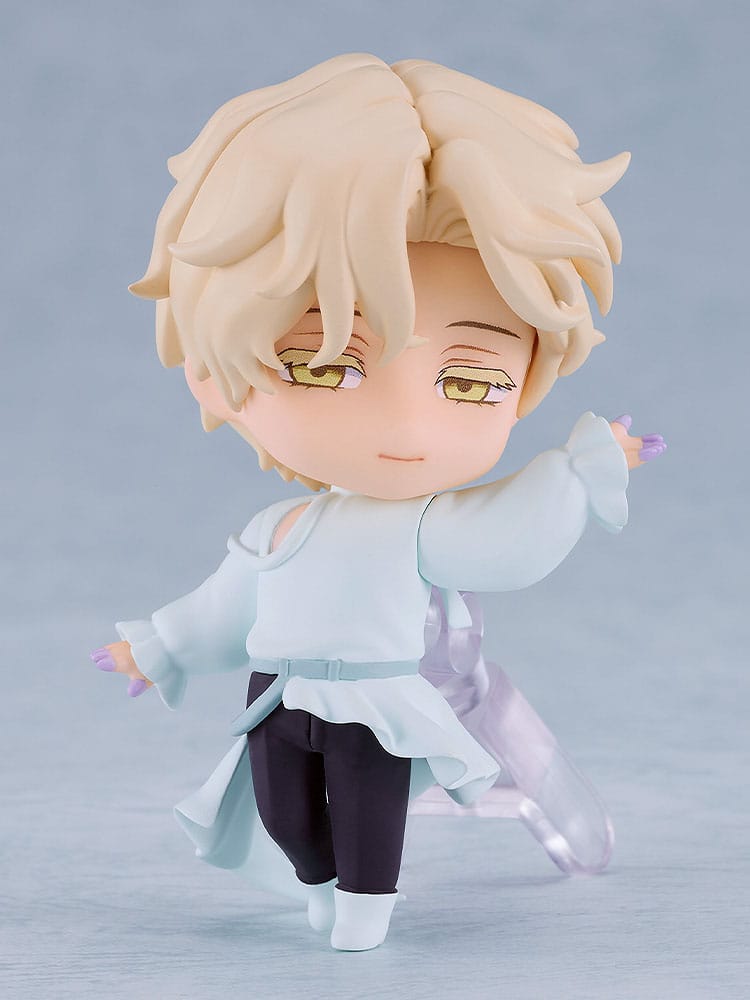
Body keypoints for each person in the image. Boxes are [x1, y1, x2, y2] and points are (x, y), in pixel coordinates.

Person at [91, 53, 665, 952]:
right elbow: (227, 606)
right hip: (277, 695)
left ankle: (365, 909)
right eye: (327, 367)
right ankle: (317, 886)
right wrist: (158, 645)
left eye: (469, 382)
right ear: (211, 373)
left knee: (368, 813)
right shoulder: (279, 527)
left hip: (378, 698)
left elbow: (507, 539)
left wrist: (579, 470)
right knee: (284, 814)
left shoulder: (425, 526)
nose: (406, 424)